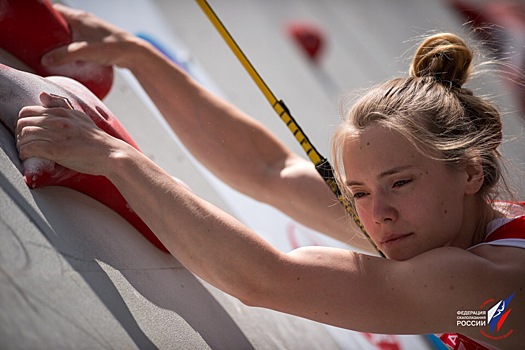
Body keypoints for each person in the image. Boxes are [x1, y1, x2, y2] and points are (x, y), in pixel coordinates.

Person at [15, 4, 524, 350]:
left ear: (471, 172)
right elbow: (269, 170)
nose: (378, 213)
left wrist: (113, 157)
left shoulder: (479, 287)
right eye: (358, 192)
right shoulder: (447, 235)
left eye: (401, 182)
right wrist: (134, 55)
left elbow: (266, 279)